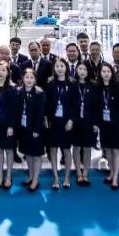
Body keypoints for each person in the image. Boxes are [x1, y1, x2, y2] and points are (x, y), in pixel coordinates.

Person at [45, 58, 77, 190]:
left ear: (66, 68)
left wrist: (71, 120)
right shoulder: (50, 84)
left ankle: (67, 177)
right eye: (57, 66)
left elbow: (75, 104)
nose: (59, 68)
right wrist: (46, 118)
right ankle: (56, 178)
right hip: (53, 122)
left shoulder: (72, 84)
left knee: (66, 150)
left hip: (66, 122)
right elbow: (46, 103)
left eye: (62, 66)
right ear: (54, 68)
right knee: (53, 150)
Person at [95, 62, 119, 190]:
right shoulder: (97, 88)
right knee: (107, 150)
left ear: (112, 73)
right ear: (100, 73)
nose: (106, 74)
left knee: (116, 150)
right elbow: (95, 107)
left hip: (116, 123)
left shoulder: (118, 87)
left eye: (108, 71)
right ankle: (112, 172)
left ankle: (116, 177)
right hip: (104, 124)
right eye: (103, 71)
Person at [0, 61, 18, 190]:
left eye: (3, 70)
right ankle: (0, 176)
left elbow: (14, 110)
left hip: (8, 126)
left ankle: (8, 176)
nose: (1, 72)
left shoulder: (12, 88)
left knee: (9, 151)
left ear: (8, 73)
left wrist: (11, 126)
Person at [17, 68, 46, 193]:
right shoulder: (19, 92)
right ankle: (30, 176)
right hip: (23, 129)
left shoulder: (39, 93)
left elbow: (40, 114)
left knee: (36, 154)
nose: (29, 80)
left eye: (31, 78)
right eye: (26, 77)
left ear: (35, 80)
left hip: (35, 129)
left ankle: (36, 179)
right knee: (27, 153)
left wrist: (37, 130)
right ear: (23, 79)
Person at [71, 61, 97, 187]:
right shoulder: (72, 85)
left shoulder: (93, 85)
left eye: (84, 69)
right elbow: (68, 104)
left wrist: (96, 123)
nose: (82, 71)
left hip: (89, 121)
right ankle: (78, 172)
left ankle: (85, 172)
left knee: (87, 148)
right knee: (76, 147)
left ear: (88, 71)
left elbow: (97, 105)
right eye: (80, 69)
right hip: (75, 121)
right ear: (76, 70)